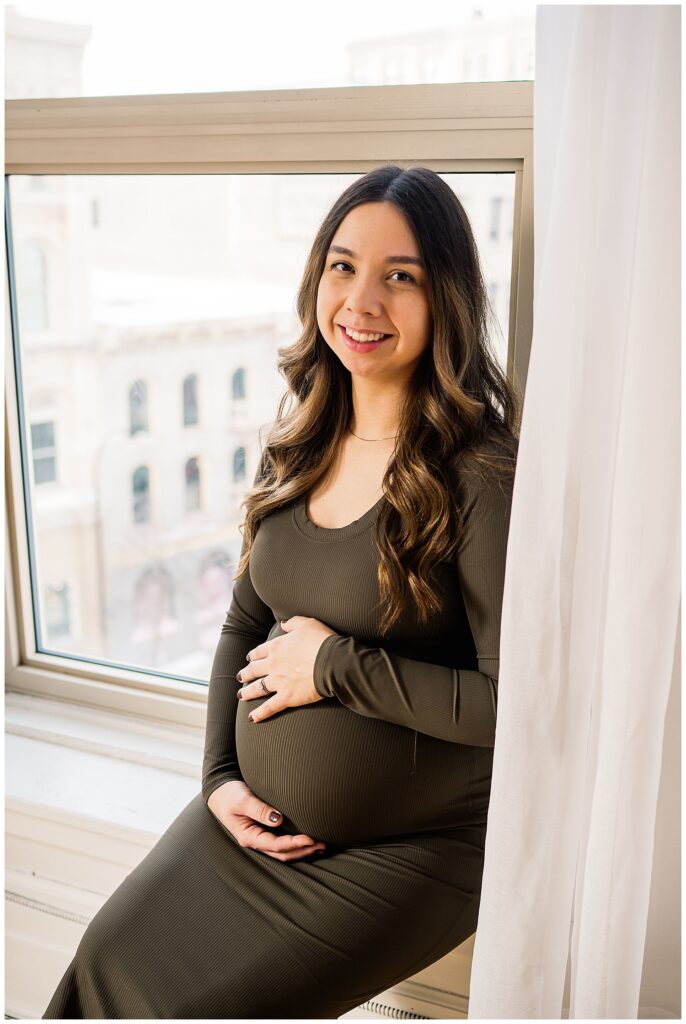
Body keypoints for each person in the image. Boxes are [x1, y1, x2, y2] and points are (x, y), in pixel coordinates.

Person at [43, 164, 520, 1019]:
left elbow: (512, 707)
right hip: (243, 828)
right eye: (343, 266)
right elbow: (245, 619)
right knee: (102, 966)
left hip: (405, 853)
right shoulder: (298, 441)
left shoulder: (478, 473)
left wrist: (336, 667)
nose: (361, 302)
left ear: (445, 295)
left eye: (399, 277)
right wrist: (220, 777)